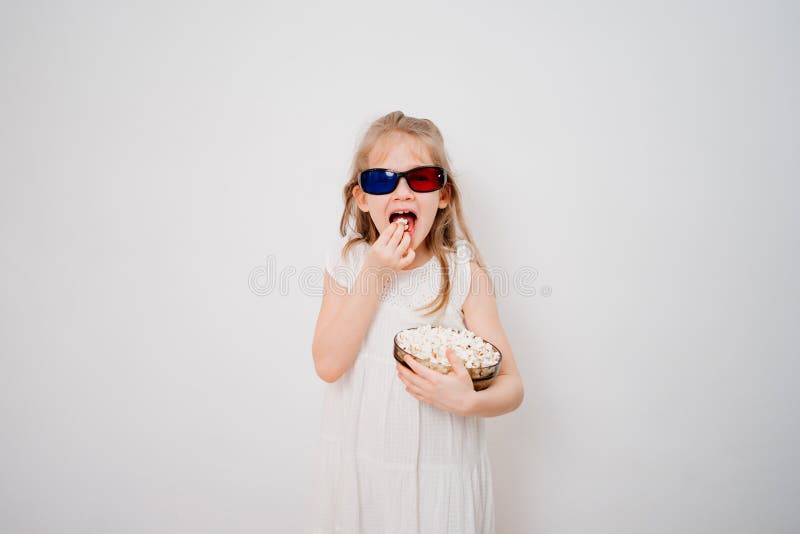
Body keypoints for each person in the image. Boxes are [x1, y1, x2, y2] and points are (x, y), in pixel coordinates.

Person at [308, 110, 524, 534]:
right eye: (382, 180)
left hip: (439, 477)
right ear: (362, 198)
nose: (402, 191)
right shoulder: (350, 264)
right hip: (364, 475)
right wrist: (375, 271)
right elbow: (328, 364)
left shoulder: (463, 274)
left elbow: (513, 386)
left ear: (442, 195)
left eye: (421, 179)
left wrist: (471, 402)